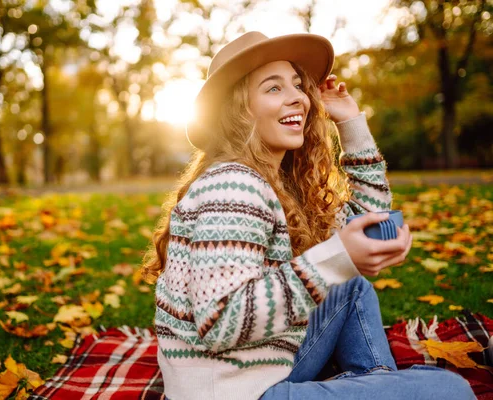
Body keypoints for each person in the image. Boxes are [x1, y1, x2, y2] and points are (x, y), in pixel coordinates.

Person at [140, 32, 475, 400]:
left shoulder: (275, 182)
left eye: (297, 85)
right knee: (450, 390)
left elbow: (369, 224)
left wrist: (349, 121)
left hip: (259, 365)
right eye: (273, 88)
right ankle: (374, 385)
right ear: (238, 112)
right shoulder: (233, 186)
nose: (298, 96)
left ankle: (375, 379)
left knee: (350, 286)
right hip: (230, 391)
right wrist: (333, 261)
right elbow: (220, 323)